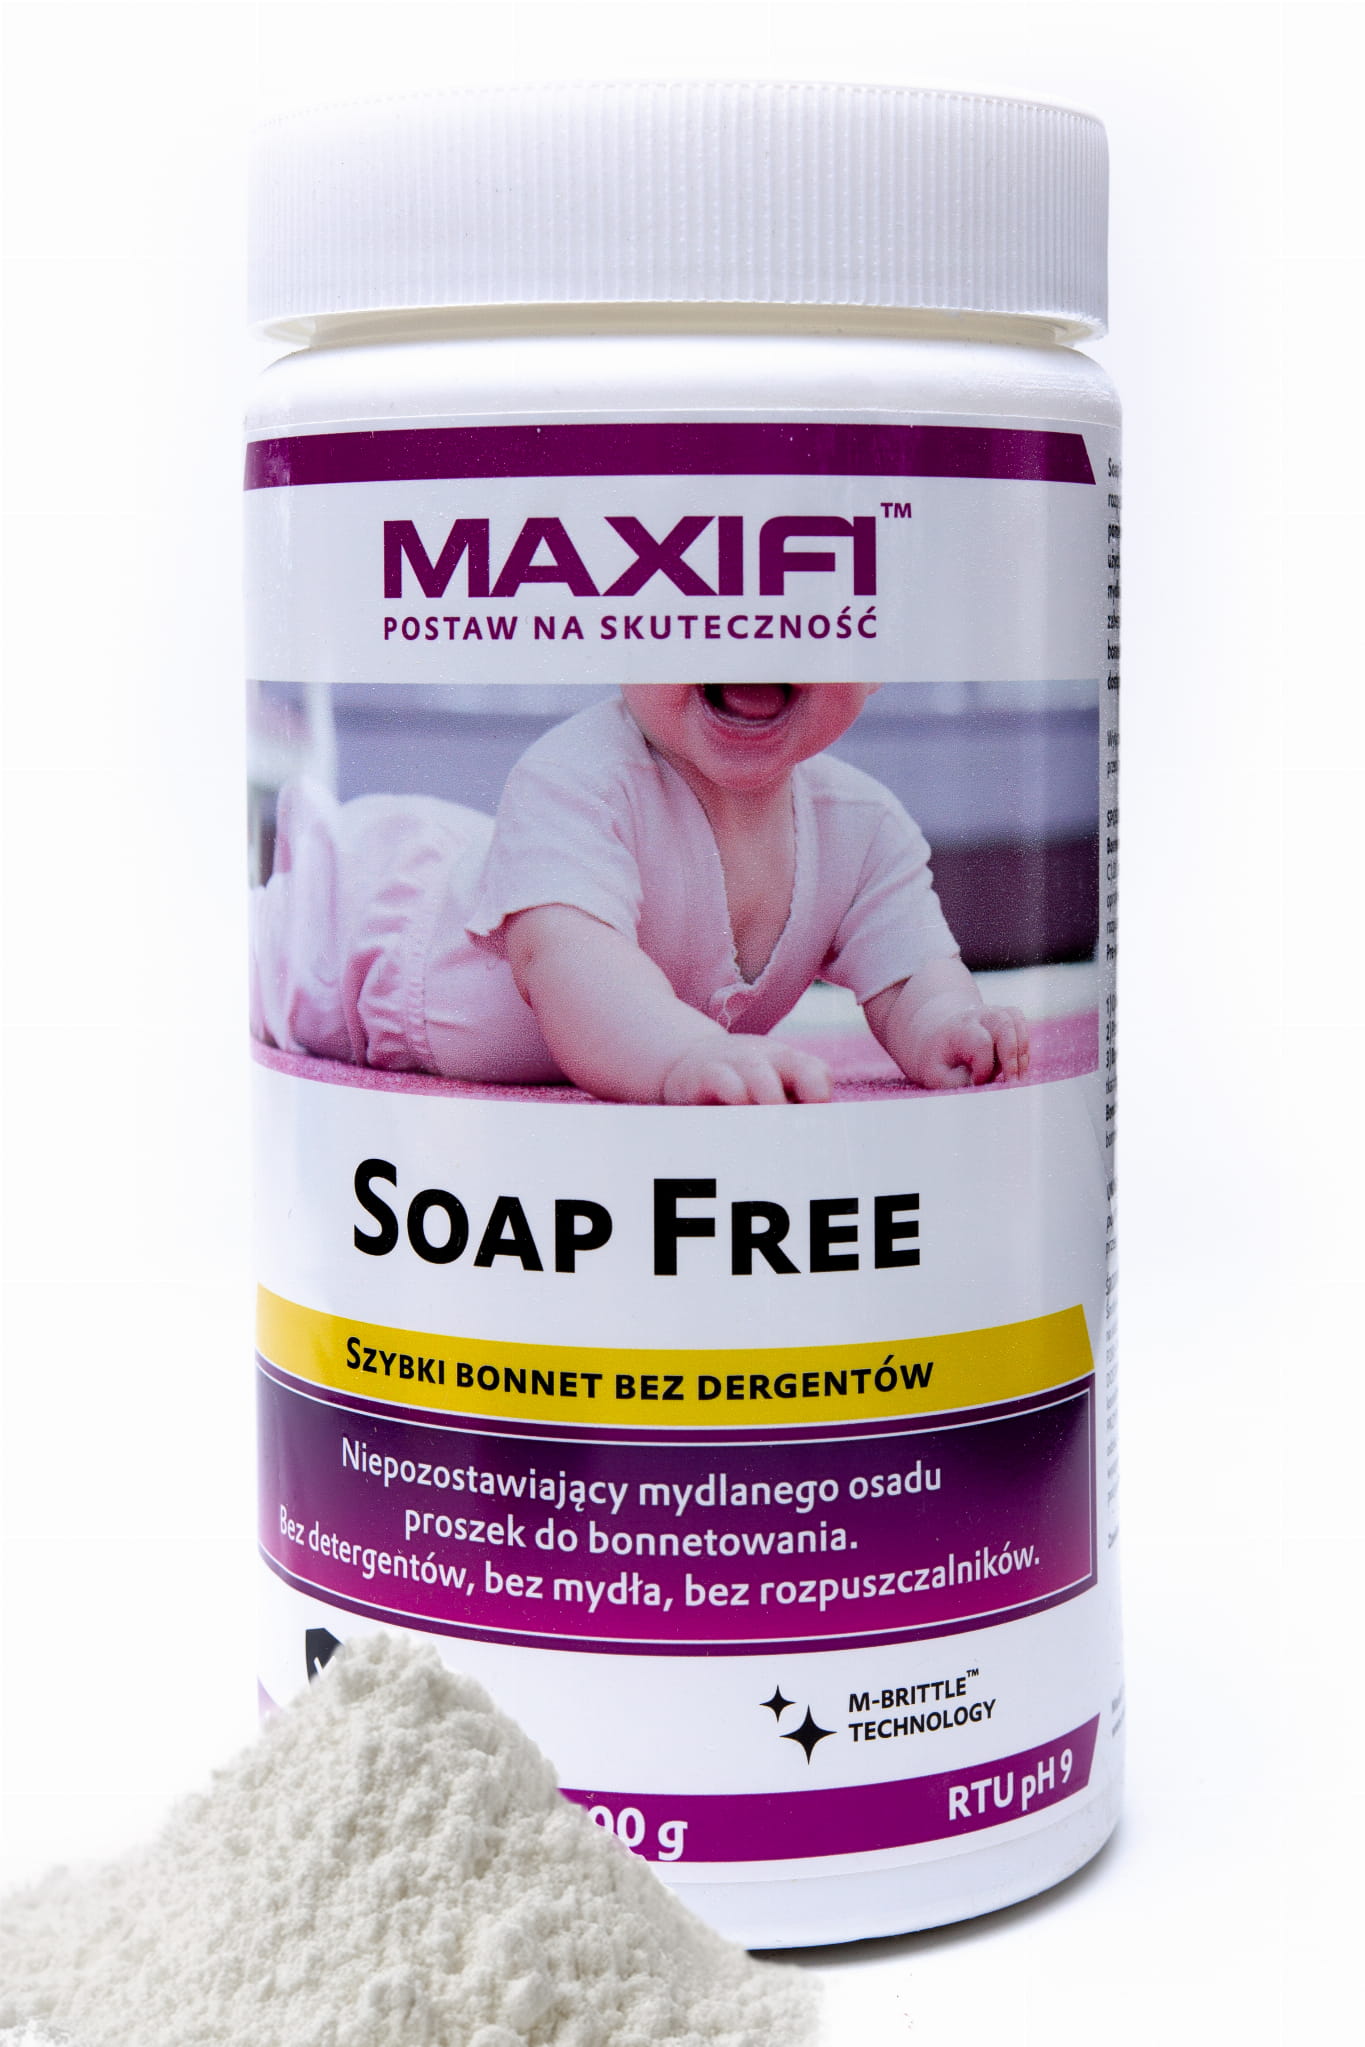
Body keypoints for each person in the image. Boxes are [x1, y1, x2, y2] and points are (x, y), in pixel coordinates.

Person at [251, 684, 1028, 1104]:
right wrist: (686, 1054)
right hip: (361, 937)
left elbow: (911, 972)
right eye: (698, 606)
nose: (749, 635)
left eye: (804, 614)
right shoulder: (575, 776)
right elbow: (574, 970)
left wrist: (946, 1024)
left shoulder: (863, 827)